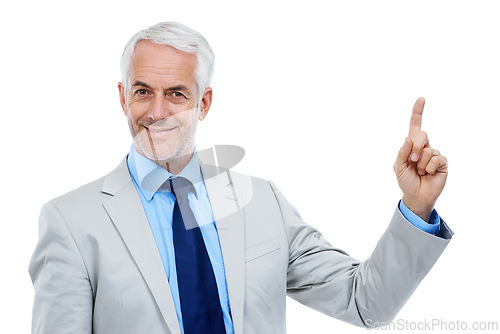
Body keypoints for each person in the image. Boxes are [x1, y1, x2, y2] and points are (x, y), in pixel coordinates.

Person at [29, 21, 453, 334]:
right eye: (142, 91)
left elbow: (366, 304)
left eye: (176, 93)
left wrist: (417, 208)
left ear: (204, 103)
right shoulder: (71, 222)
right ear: (123, 98)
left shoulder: (261, 201)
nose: (156, 112)